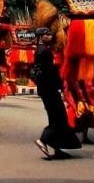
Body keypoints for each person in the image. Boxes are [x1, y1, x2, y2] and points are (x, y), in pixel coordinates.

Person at [32, 27, 82, 159]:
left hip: (46, 89)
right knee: (58, 117)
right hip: (49, 89)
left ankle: (57, 148)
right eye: (46, 34)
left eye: (50, 34)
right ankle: (43, 139)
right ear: (40, 36)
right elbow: (47, 72)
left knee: (57, 117)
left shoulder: (39, 50)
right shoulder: (44, 52)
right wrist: (58, 82)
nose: (49, 36)